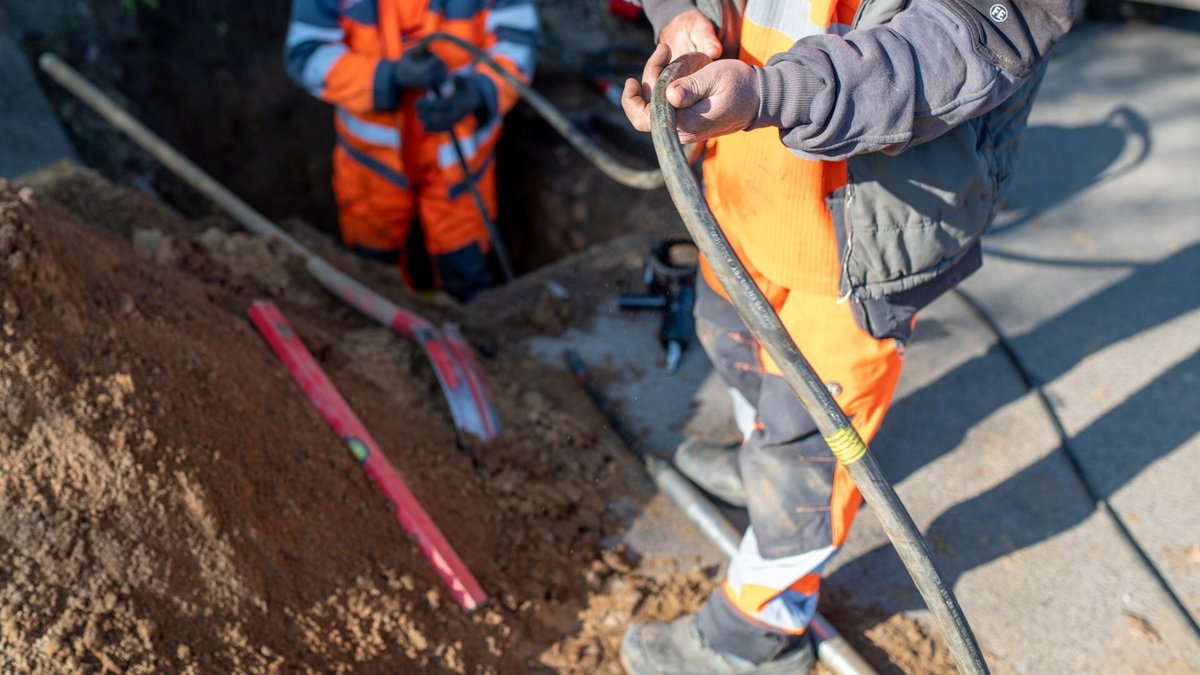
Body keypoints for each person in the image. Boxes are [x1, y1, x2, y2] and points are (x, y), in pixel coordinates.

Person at [620, 0, 1072, 672]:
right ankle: (758, 457)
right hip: (744, 189)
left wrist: (771, 93)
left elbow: (951, 50)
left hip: (864, 240)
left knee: (809, 447)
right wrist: (684, 15)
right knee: (731, 339)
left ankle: (761, 627)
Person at [284, 0, 540, 302]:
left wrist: (479, 92)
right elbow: (307, 55)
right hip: (373, 171)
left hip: (460, 171)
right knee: (373, 279)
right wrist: (385, 78)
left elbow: (518, 41)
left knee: (467, 278)